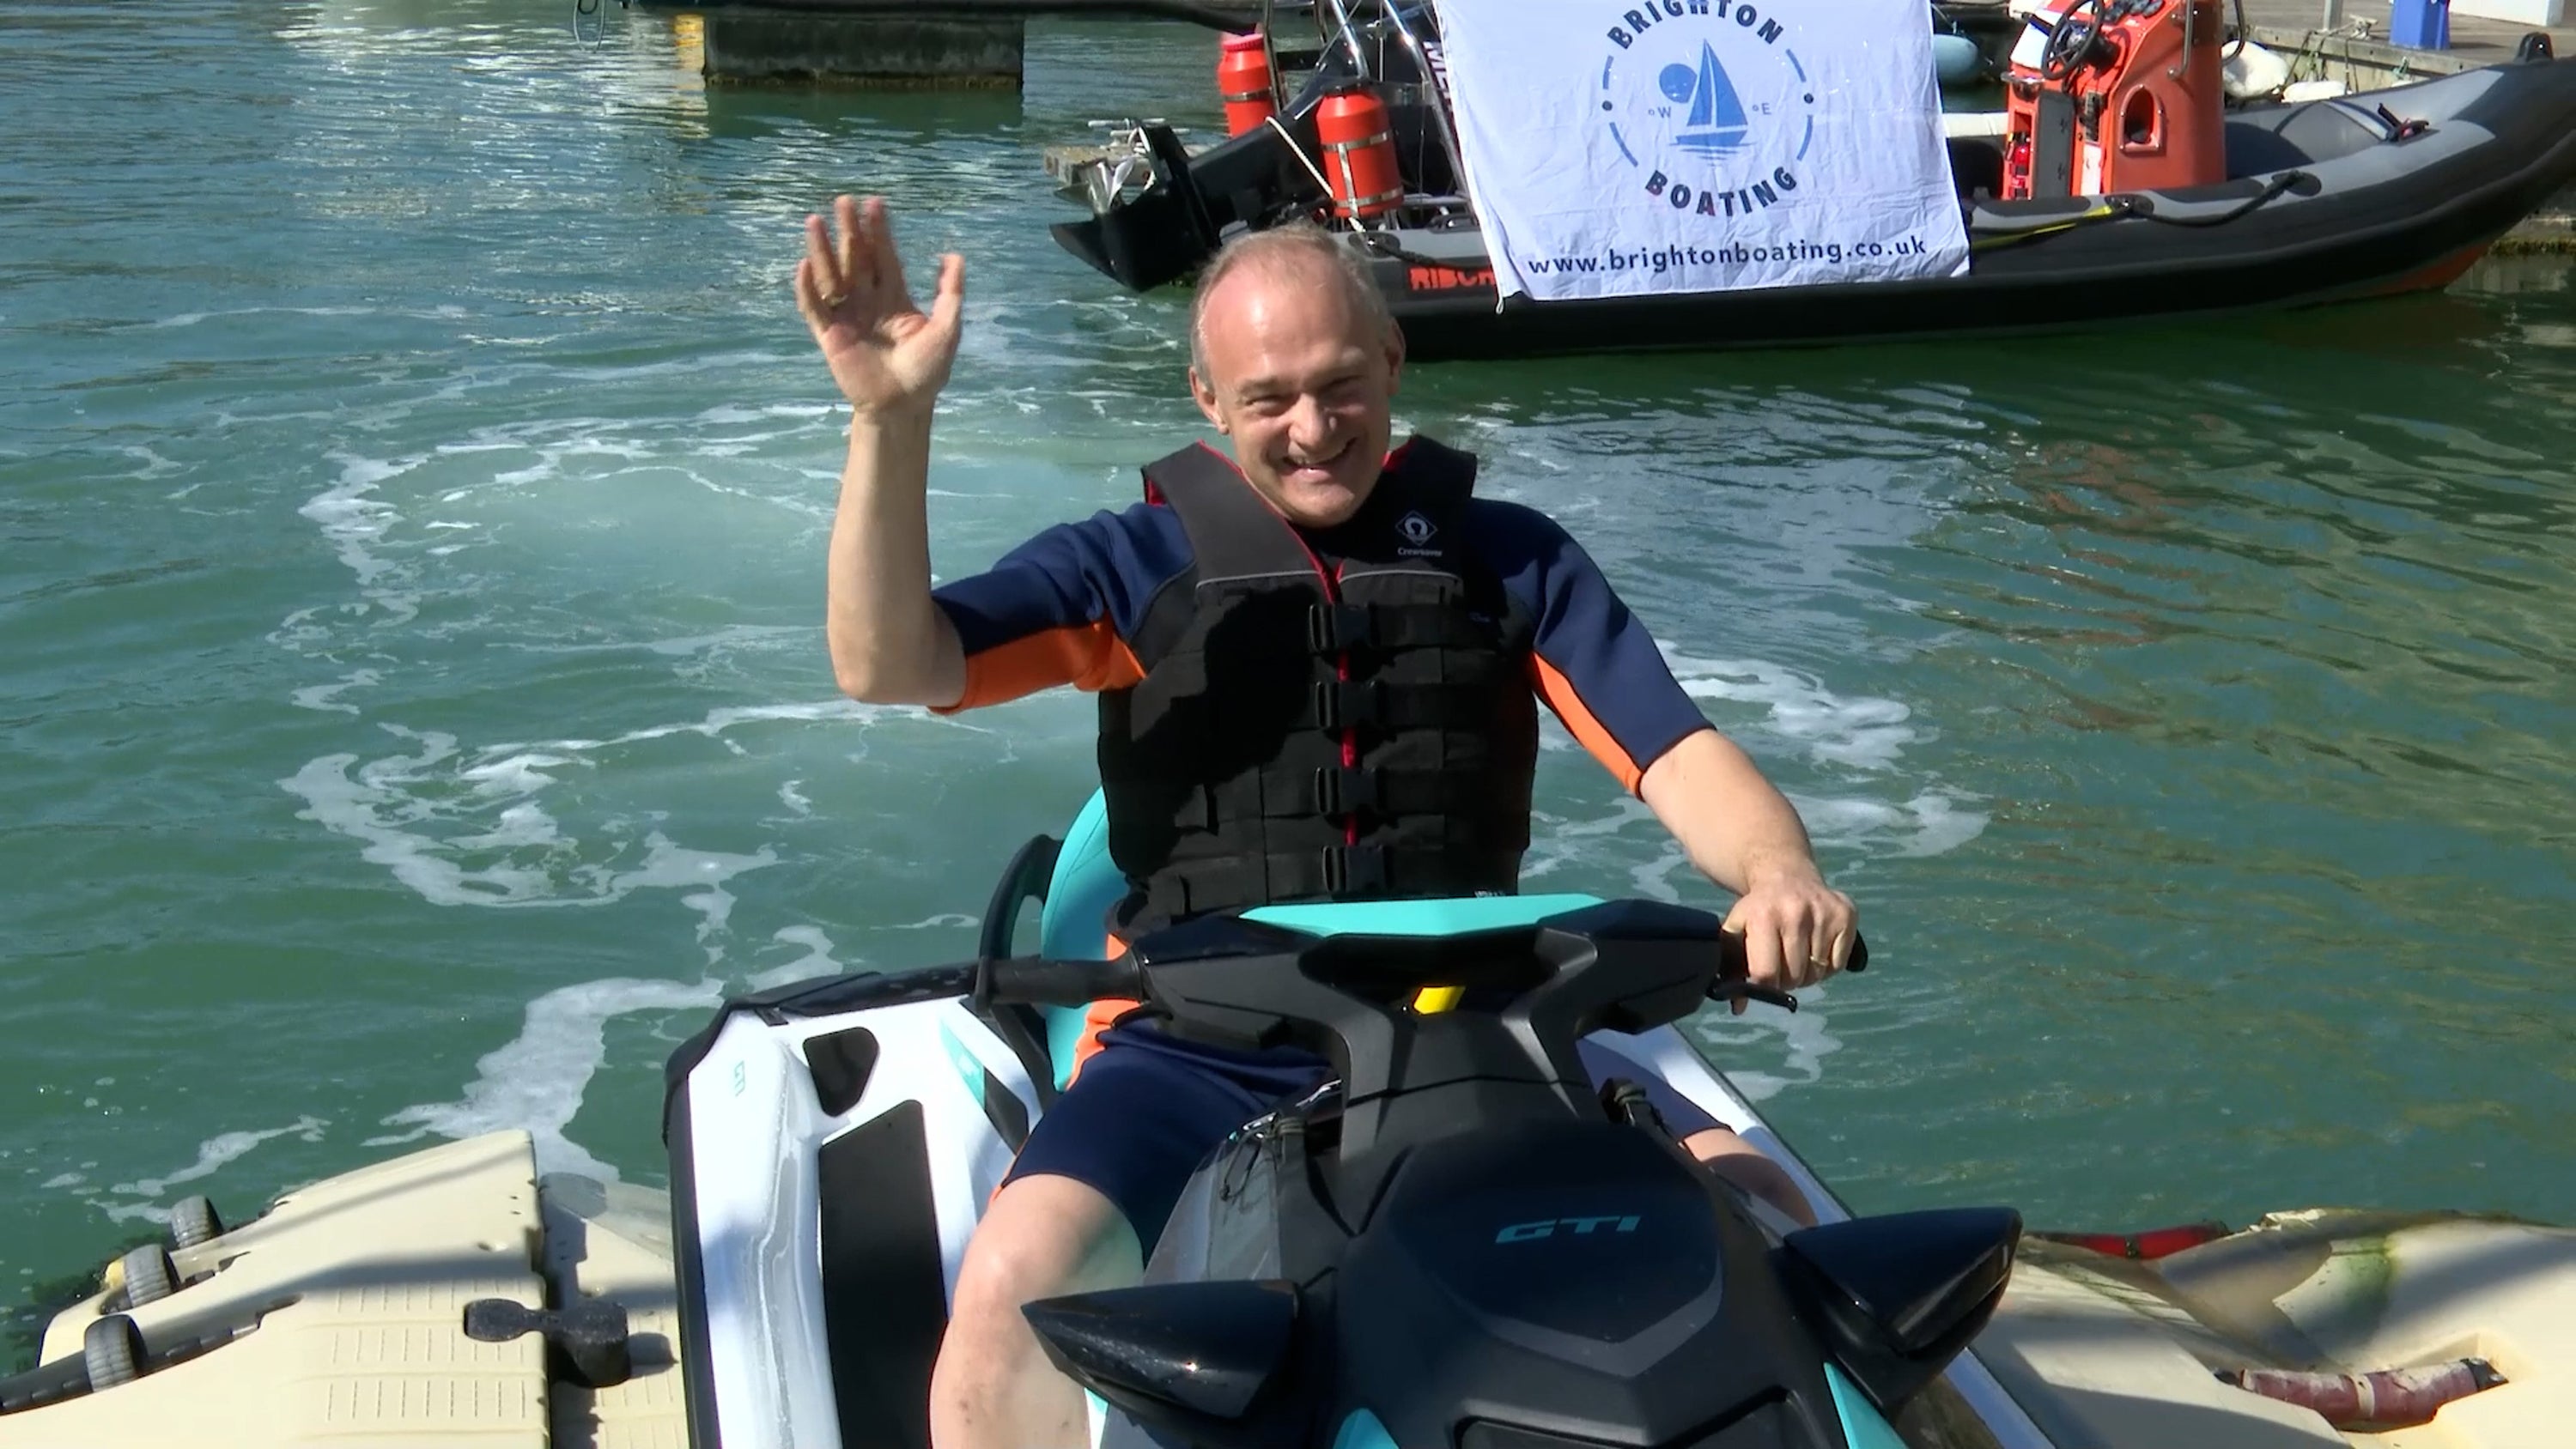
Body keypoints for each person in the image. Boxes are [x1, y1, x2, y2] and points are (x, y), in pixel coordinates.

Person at [797, 194, 1860, 1449]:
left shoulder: (1511, 560)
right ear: (1207, 399)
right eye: (1269, 400)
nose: (1313, 429)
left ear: (1394, 363)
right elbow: (891, 662)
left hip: (1493, 1021)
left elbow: (1677, 752)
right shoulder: (1125, 570)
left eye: (1343, 384)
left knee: (1773, 1213)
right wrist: (890, 418)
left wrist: (1779, 871)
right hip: (1202, 1039)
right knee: (1008, 1296)